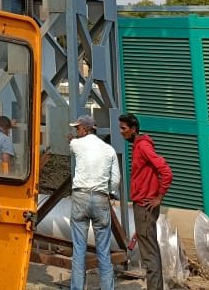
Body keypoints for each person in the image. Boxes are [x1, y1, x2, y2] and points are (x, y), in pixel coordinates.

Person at [119, 113, 173, 290]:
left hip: (145, 205)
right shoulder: (138, 146)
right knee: (150, 249)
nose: (121, 132)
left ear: (133, 129)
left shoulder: (143, 147)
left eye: (124, 128)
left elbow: (166, 171)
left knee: (149, 254)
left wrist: (159, 197)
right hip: (143, 204)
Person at [68, 114, 121, 290]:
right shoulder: (109, 150)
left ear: (84, 129)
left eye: (77, 128)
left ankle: (77, 287)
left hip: (80, 196)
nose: (76, 131)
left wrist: (72, 139)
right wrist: (110, 193)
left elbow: (72, 144)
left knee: (79, 251)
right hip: (100, 197)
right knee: (104, 252)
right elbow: (115, 180)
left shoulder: (76, 144)